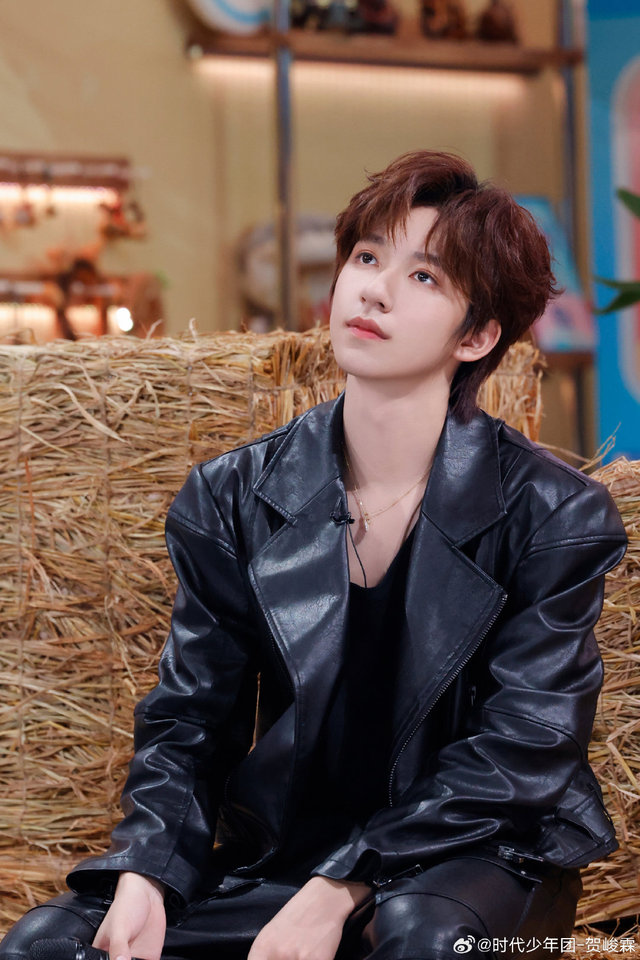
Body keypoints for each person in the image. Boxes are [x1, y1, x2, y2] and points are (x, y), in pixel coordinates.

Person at [0, 151, 628, 960]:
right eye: (366, 258)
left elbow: (523, 750)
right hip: (287, 857)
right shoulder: (232, 495)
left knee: (422, 938)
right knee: (48, 942)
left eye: (424, 277)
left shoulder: (554, 513)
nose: (373, 290)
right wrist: (147, 872)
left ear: (477, 336)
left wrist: (342, 888)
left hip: (472, 860)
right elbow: (191, 719)